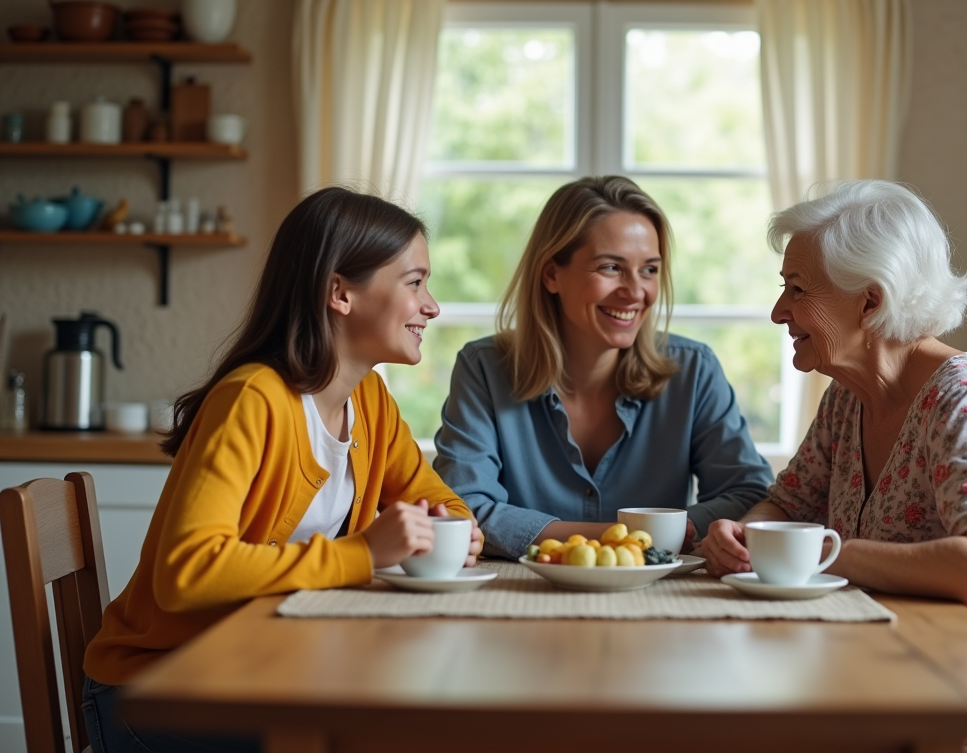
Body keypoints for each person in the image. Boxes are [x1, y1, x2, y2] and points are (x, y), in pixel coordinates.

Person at [703, 180, 967, 753]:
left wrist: (823, 554)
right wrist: (745, 535)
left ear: (871, 300)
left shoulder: (964, 397)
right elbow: (788, 502)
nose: (778, 311)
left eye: (797, 289)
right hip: (917, 677)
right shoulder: (848, 397)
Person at [82, 187, 482, 753]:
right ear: (339, 292)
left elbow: (443, 501)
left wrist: (451, 531)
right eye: (414, 283)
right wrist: (364, 554)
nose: (432, 305)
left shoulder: (369, 402)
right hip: (158, 687)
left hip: (257, 667)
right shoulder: (252, 399)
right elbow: (186, 573)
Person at [433, 175, 773, 559]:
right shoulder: (483, 369)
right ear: (551, 274)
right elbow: (460, 508)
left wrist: (681, 529)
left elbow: (749, 493)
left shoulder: (694, 369)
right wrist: (639, 537)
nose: (634, 291)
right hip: (519, 597)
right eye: (611, 267)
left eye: (649, 269)